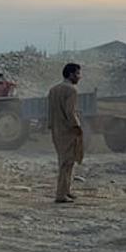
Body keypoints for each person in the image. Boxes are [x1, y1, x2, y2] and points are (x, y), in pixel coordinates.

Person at [47, 63, 84, 203]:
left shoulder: (53, 90)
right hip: (68, 130)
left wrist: (51, 126)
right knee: (66, 162)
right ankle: (61, 194)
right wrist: (77, 126)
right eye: (78, 74)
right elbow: (70, 112)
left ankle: (66, 191)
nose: (80, 77)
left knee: (66, 161)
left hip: (57, 130)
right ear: (70, 74)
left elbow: (50, 112)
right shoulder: (71, 90)